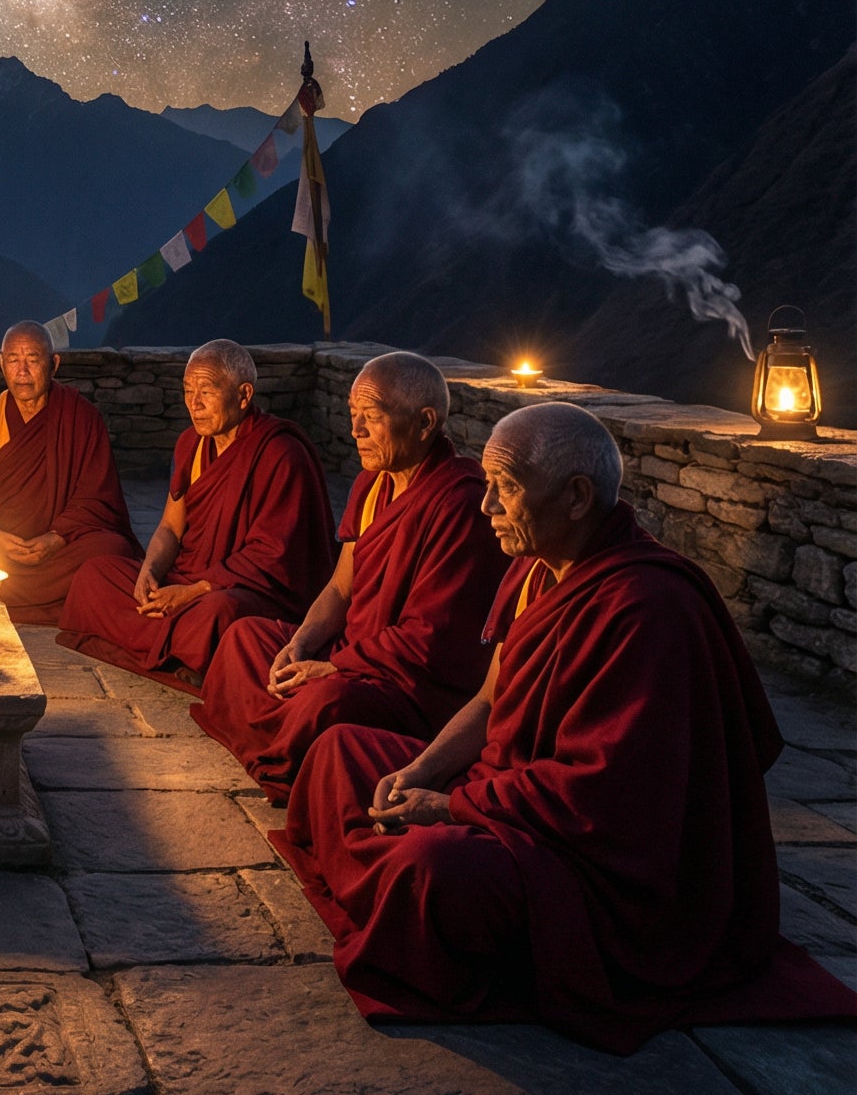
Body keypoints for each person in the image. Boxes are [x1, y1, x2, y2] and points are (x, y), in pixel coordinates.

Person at [275, 402, 857, 1052]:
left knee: (432, 867)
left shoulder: (647, 608)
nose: (485, 506)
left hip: (581, 855)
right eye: (487, 484)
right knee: (338, 751)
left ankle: (390, 881)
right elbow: (490, 701)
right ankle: (389, 885)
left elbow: (601, 794)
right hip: (503, 790)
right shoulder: (532, 567)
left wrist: (448, 806)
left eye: (506, 488)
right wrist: (420, 771)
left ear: (577, 497)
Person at [191, 352, 504, 802]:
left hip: (406, 682)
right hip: (353, 651)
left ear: (424, 422)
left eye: (370, 417)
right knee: (244, 638)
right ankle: (285, 736)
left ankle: (283, 743)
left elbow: (428, 640)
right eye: (352, 413)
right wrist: (300, 644)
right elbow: (341, 587)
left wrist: (333, 667)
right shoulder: (372, 483)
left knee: (324, 702)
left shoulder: (459, 504)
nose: (355, 430)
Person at [60, 339, 333, 683]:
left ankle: (166, 645)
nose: (194, 403)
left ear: (244, 395)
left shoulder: (281, 453)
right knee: (95, 574)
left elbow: (270, 557)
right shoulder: (190, 444)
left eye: (206, 391)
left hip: (243, 590)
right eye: (188, 390)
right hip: (186, 578)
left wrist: (192, 592)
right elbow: (170, 528)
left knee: (220, 613)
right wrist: (149, 572)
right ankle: (183, 653)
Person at [0, 320, 141, 624]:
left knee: (113, 549)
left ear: (53, 364)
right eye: (13, 360)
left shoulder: (81, 417)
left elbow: (98, 499)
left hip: (60, 550)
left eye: (33, 360)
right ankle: (70, 599)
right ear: (1, 364)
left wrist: (56, 538)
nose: (22, 371)